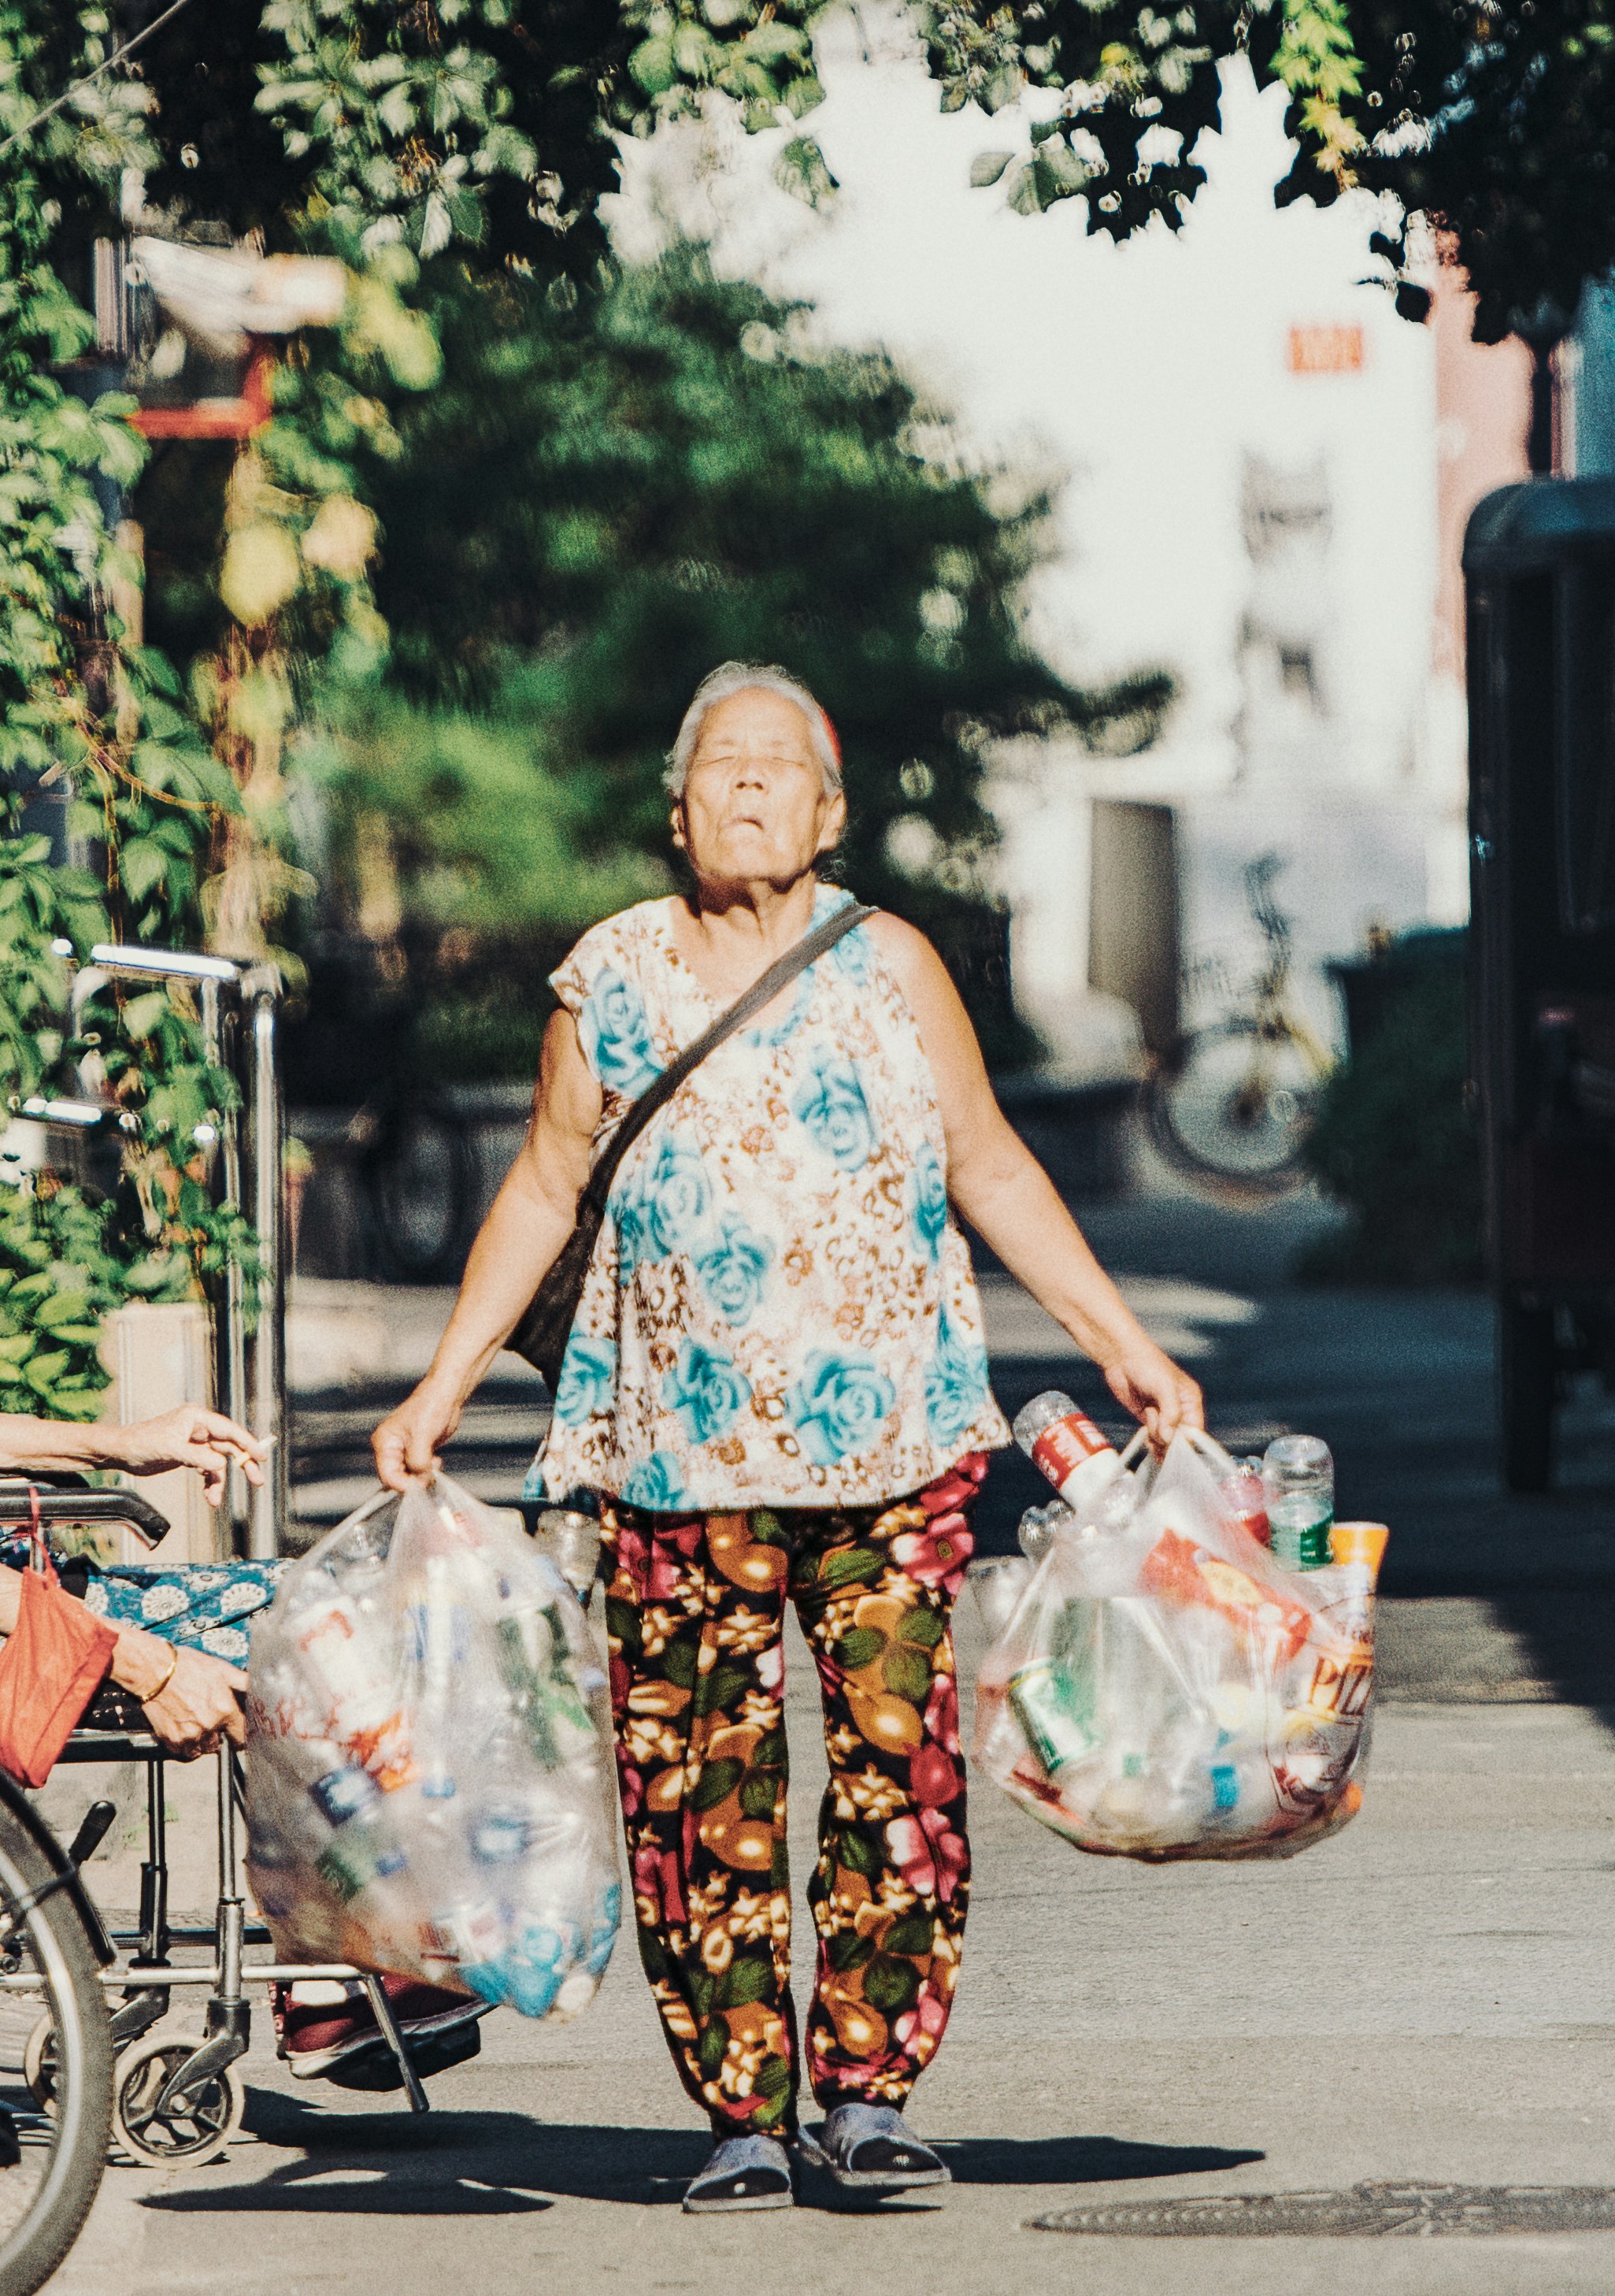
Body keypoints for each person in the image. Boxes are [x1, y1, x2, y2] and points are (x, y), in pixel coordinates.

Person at [370, 661, 1205, 2211]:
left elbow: (993, 1166)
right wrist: (440, 1386)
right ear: (676, 804)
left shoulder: (889, 962)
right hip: (667, 1456)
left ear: (827, 811)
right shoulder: (606, 978)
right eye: (719, 767)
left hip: (889, 1450)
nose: (746, 788)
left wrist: (1126, 1346)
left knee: (902, 1776)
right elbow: (546, 1186)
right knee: (695, 1784)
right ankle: (742, 2109)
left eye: (778, 769)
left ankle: (870, 2095)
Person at [0, 1022, 488, 2089]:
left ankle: (346, 1959)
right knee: (325, 1616)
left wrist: (120, 1442)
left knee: (317, 1596)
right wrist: (143, 1662)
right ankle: (341, 1972)